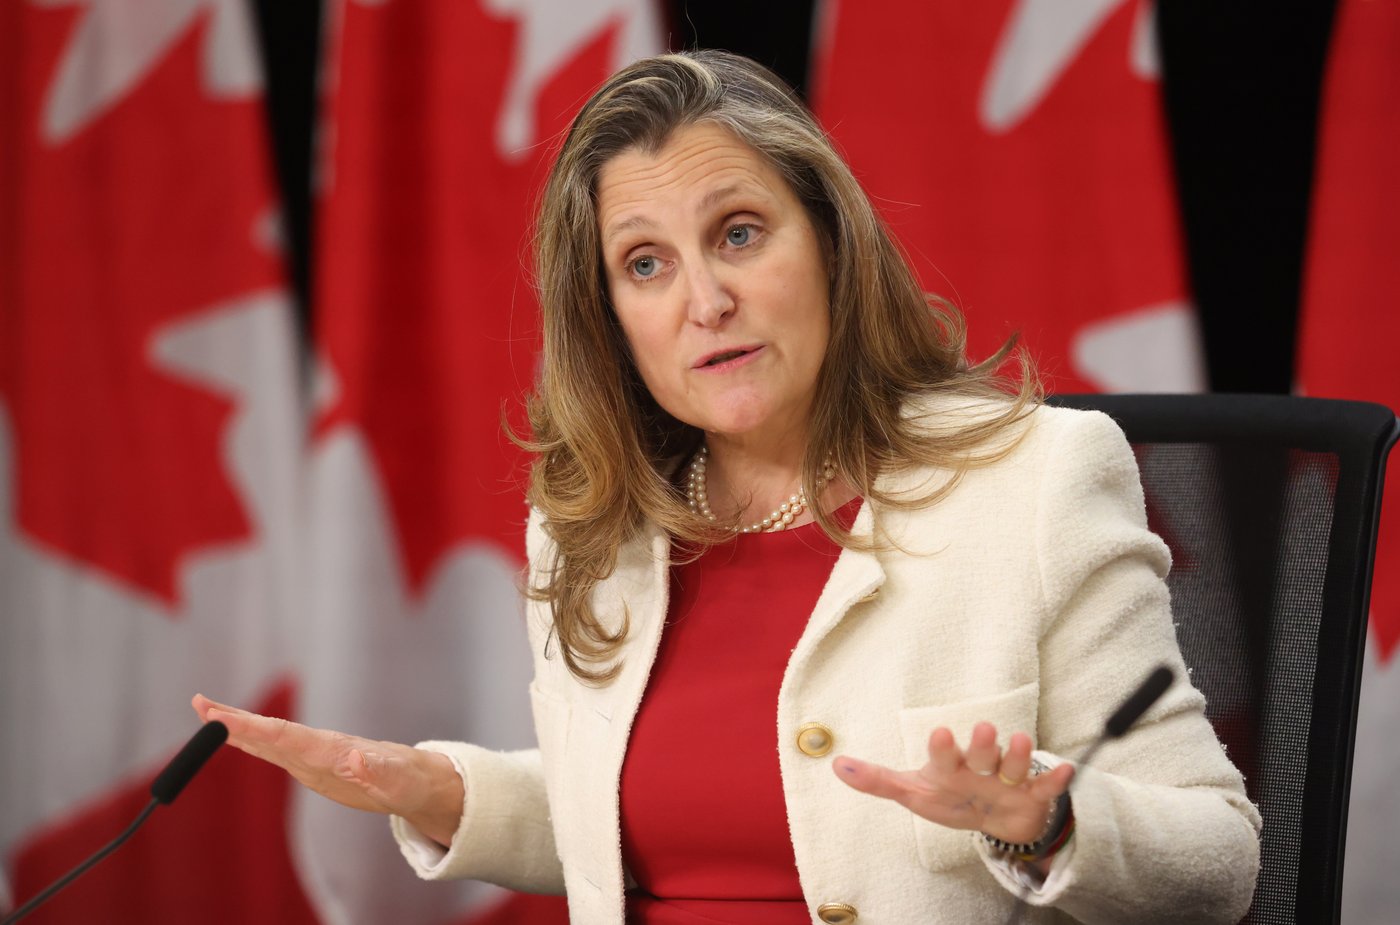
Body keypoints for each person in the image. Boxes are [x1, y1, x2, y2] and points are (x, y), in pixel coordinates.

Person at [193, 50, 1261, 924]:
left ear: (830, 244)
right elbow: (658, 814)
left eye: (738, 234)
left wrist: (1049, 821)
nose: (704, 299)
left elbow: (1218, 861)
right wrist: (439, 791)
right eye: (645, 263)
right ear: (611, 319)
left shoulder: (1028, 484)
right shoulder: (590, 526)